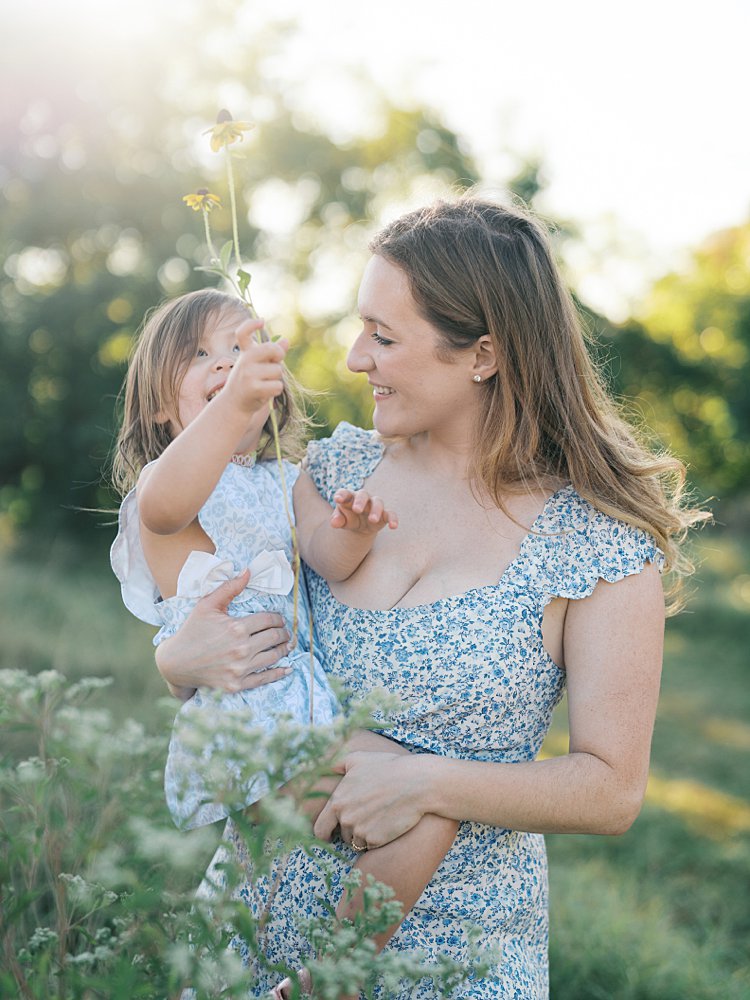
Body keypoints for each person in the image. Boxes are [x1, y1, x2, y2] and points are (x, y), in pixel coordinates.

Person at [153, 198, 707, 998]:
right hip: (252, 925)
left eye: (383, 335)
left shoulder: (595, 543)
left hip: (450, 958)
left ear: (482, 353)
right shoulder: (334, 477)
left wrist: (427, 783)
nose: (351, 359)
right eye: (359, 327)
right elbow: (241, 639)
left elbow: (613, 790)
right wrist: (178, 661)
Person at [108, 288, 459, 990]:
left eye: (241, 351)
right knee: (423, 803)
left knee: (422, 804)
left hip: (301, 704)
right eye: (203, 356)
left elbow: (327, 560)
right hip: (247, 718)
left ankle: (326, 970)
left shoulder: (288, 478)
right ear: (156, 406)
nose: (227, 365)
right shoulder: (166, 486)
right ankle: (332, 979)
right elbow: (167, 502)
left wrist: (352, 529)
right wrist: (233, 403)